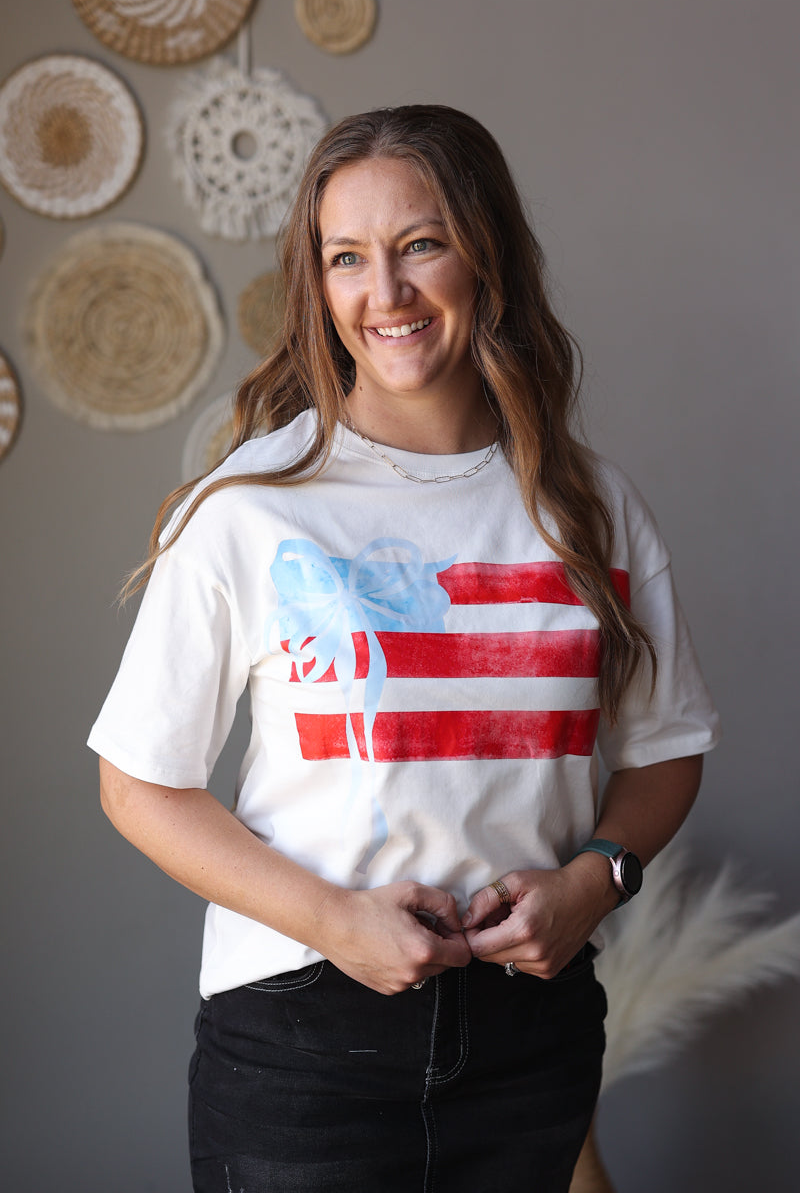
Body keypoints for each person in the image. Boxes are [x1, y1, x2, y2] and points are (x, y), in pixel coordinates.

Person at [89, 105, 720, 1192]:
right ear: (318, 284)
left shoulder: (592, 510)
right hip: (301, 1047)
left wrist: (594, 882)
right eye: (346, 257)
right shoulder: (249, 508)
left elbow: (665, 751)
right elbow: (137, 784)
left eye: (419, 244)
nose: (383, 293)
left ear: (486, 255)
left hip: (530, 1041)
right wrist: (336, 922)